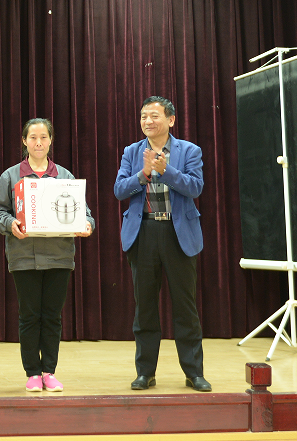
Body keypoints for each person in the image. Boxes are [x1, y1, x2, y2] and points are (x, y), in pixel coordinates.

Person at [113, 96, 211, 392]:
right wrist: (143, 174)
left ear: (170, 120)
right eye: (144, 116)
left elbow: (196, 187)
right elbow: (119, 190)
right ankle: (145, 373)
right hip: (143, 233)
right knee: (144, 308)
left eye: (154, 116)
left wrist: (166, 170)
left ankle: (194, 373)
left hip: (177, 234)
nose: (147, 121)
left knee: (185, 307)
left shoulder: (189, 151)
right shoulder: (132, 151)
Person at [0, 118, 94, 392]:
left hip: (59, 257)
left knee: (52, 317)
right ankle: (33, 373)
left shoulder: (65, 176)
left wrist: (87, 224)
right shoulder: (11, 176)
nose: (38, 142)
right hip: (24, 257)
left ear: (51, 140)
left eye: (43, 137)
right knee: (29, 316)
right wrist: (10, 224)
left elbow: (84, 211)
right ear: (24, 141)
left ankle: (49, 371)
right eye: (33, 137)